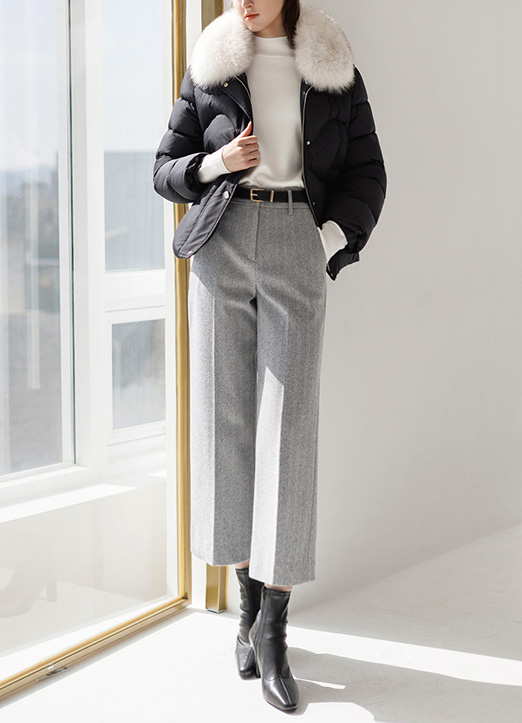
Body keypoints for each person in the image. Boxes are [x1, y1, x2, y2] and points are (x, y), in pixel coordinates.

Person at [153, 0, 386, 712]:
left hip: (295, 238)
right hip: (221, 241)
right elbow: (164, 169)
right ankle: (248, 610)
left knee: (290, 428)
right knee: (224, 423)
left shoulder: (331, 63)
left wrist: (325, 241)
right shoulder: (211, 63)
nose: (243, 2)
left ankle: (275, 629)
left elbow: (369, 171)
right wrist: (216, 162)